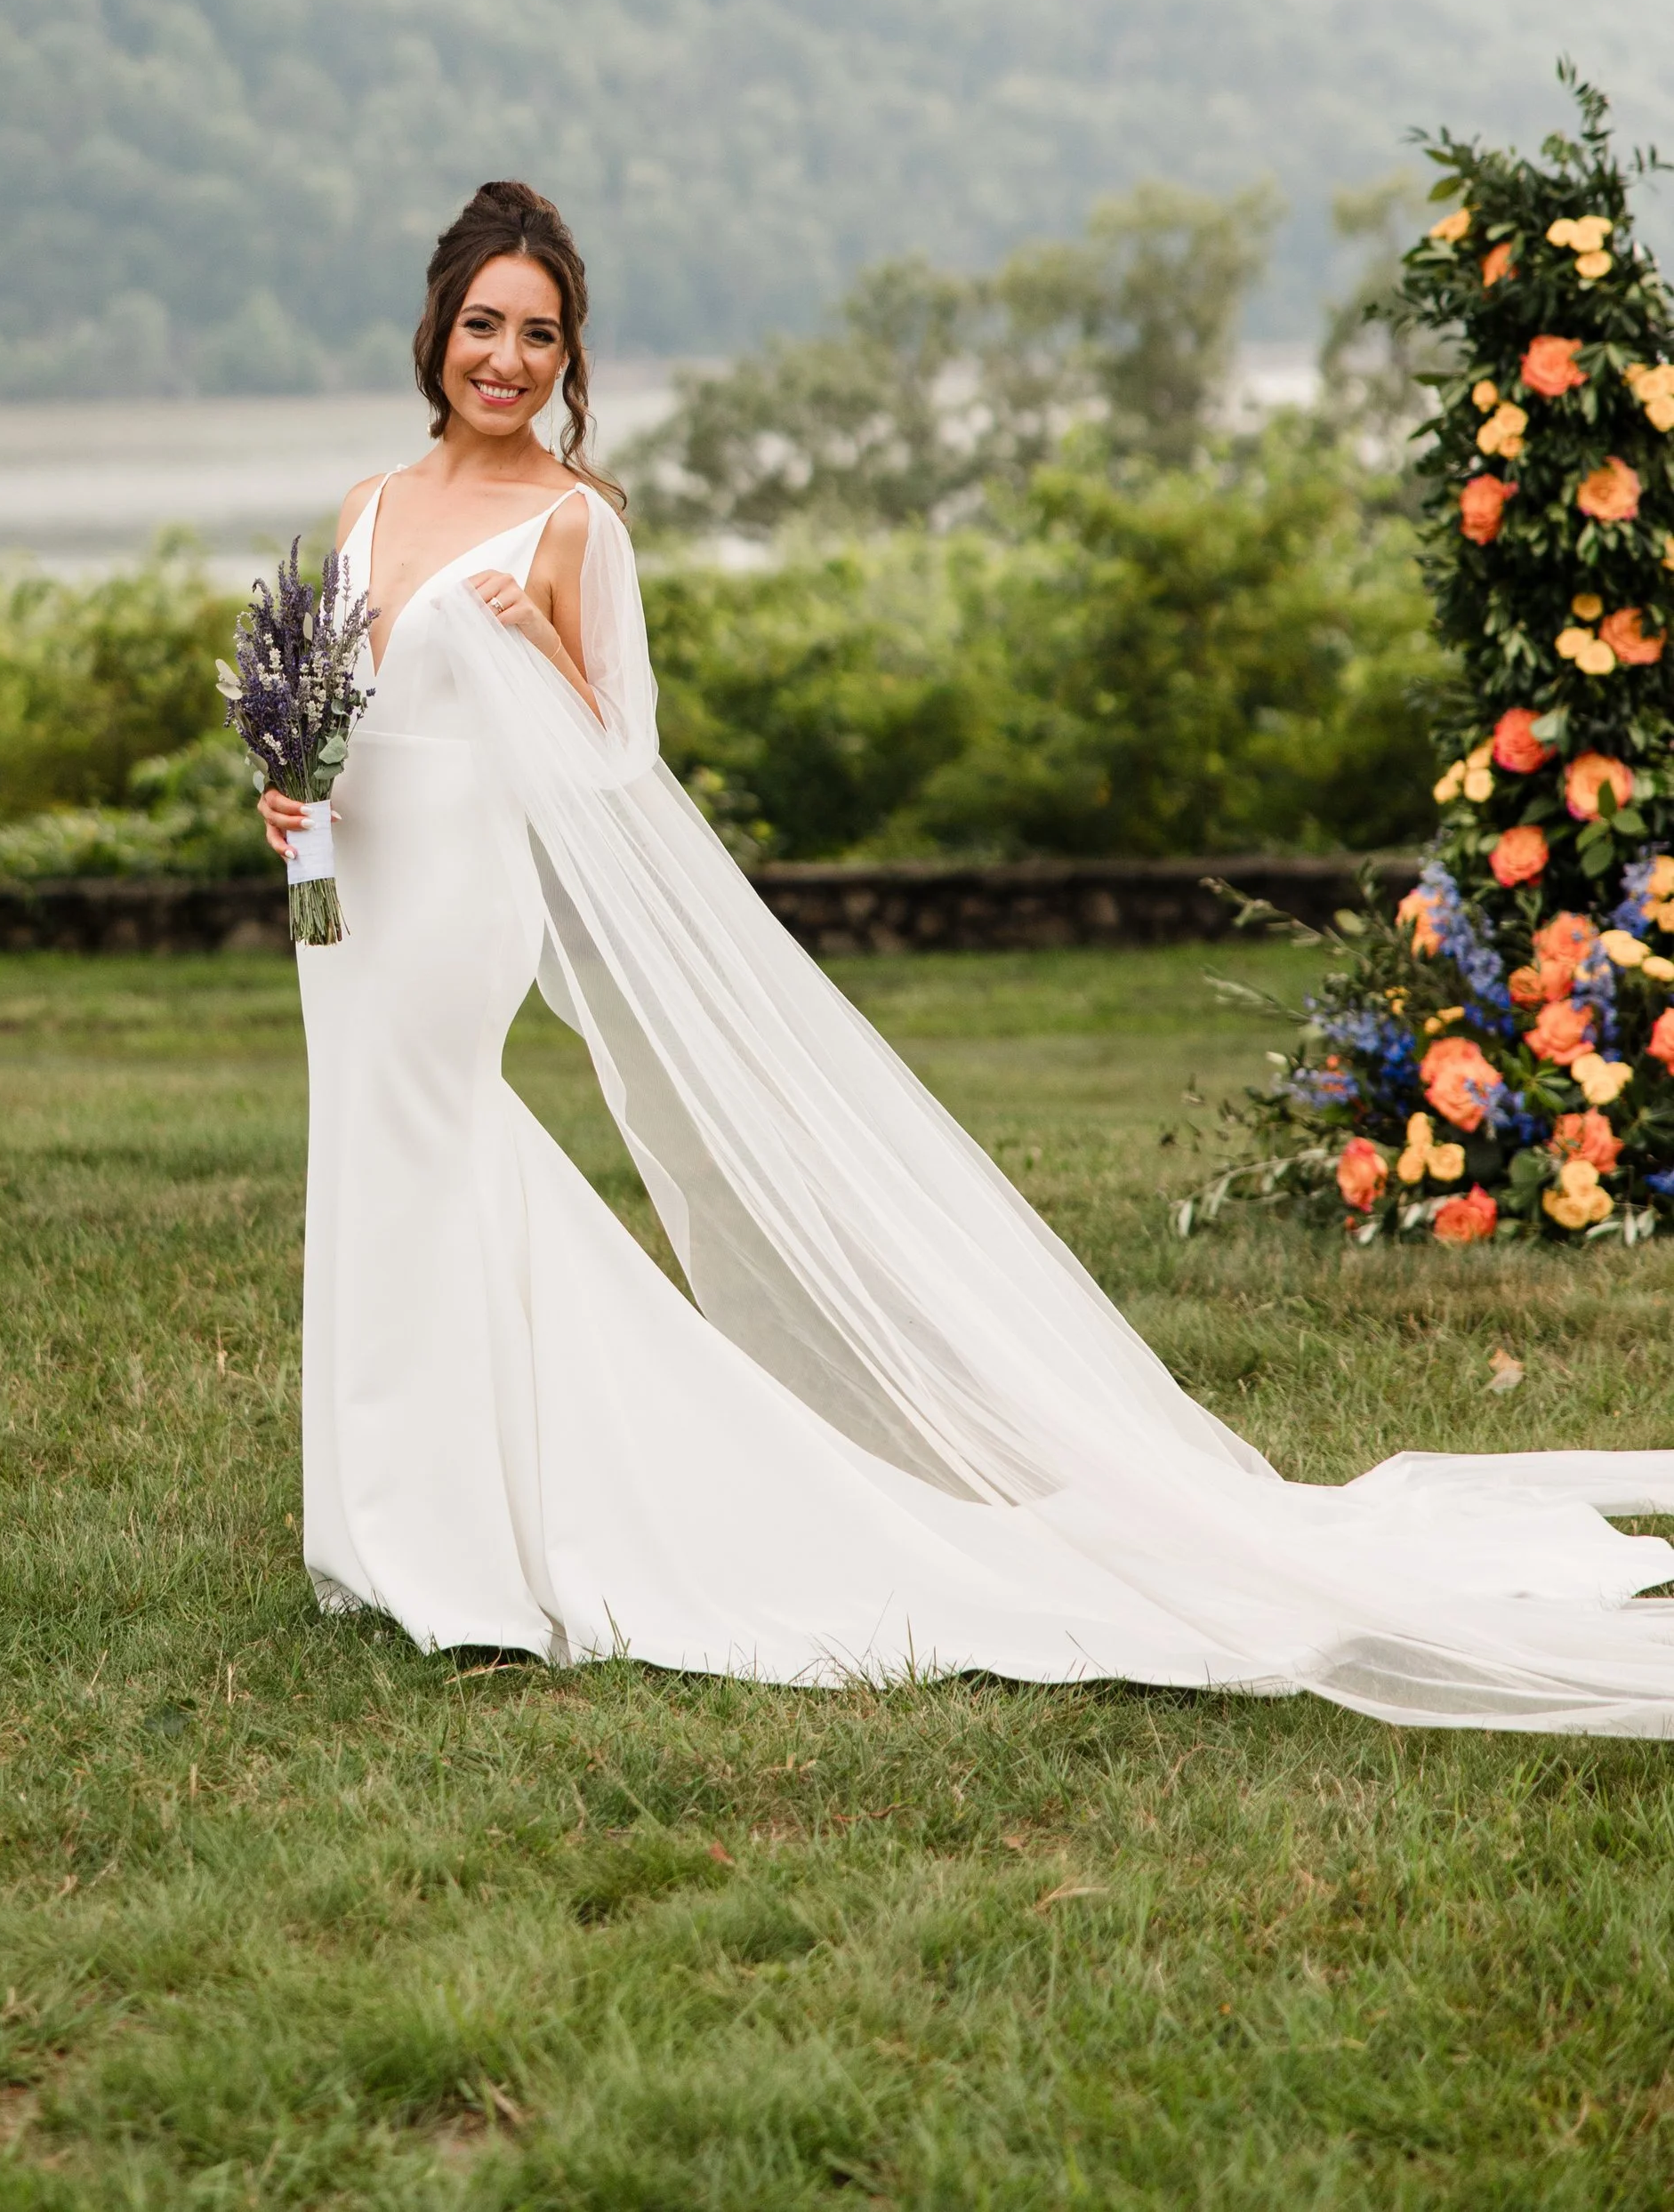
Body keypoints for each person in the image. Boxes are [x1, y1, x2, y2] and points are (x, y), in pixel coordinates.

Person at [259, 179, 1674, 1733]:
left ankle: (477, 1538)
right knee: (375, 1169)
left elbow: (613, 766)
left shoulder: (577, 522)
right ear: (437, 329)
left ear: (568, 355)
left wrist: (535, 650)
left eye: (541, 334)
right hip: (348, 891)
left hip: (461, 899)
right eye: (484, 326)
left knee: (445, 1148)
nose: (508, 360)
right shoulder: (369, 506)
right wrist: (292, 787)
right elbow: (340, 700)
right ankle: (387, 1516)